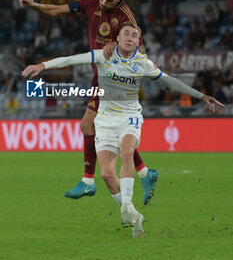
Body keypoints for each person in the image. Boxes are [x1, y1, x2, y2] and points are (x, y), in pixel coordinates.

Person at [22, 22, 224, 238]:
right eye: (126, 33)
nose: (130, 37)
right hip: (105, 120)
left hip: (130, 117)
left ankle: (126, 205)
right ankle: (136, 216)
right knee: (107, 174)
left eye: (134, 35)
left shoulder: (143, 63)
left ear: (138, 42)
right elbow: (72, 59)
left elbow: (170, 81)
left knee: (127, 152)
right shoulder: (103, 56)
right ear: (116, 38)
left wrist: (201, 96)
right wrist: (43, 66)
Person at [19, 0, 159, 205]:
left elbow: (140, 50)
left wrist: (118, 46)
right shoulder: (90, 3)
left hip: (116, 80)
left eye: (110, 0)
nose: (104, 2)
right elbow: (57, 11)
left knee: (87, 125)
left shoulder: (126, 16)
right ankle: (144, 173)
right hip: (100, 76)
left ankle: (88, 181)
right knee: (100, 129)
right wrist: (35, 5)